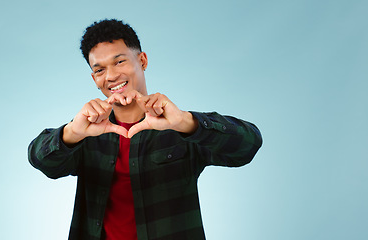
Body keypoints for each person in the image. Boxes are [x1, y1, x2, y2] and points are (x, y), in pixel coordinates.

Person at [28, 19, 262, 240]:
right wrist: (72, 133)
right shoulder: (88, 132)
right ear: (94, 78)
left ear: (143, 61)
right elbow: (41, 160)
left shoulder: (179, 127)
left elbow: (248, 145)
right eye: (99, 70)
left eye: (120, 61)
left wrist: (185, 123)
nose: (111, 76)